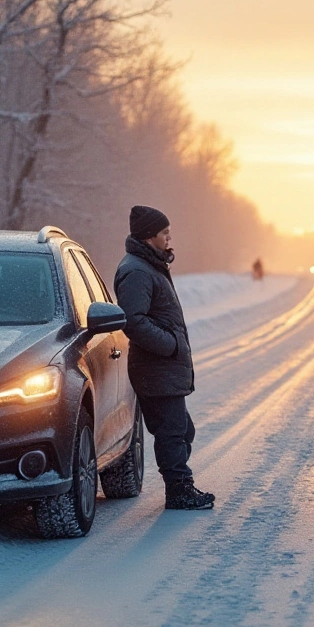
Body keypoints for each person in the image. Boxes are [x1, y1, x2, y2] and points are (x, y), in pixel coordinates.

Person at [114, 205, 216, 510]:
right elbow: (133, 320)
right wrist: (170, 345)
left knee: (182, 430)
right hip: (155, 367)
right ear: (149, 237)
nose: (169, 237)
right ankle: (179, 490)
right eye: (164, 232)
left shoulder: (150, 266)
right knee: (172, 432)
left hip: (162, 367)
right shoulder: (136, 271)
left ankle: (180, 484)